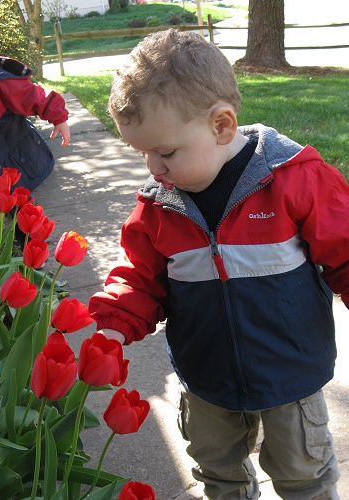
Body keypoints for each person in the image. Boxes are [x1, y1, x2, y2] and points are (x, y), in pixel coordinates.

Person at [89, 29, 349, 499]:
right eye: (141, 152)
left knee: (303, 476)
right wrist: (113, 324)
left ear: (222, 125)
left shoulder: (295, 182)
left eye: (165, 152)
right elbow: (139, 279)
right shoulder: (157, 207)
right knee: (218, 475)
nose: (152, 167)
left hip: (291, 371)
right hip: (206, 377)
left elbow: (346, 253)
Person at [0, 49, 70, 208]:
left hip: (7, 147)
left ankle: (24, 229)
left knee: (15, 199)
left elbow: (30, 94)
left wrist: (58, 117)